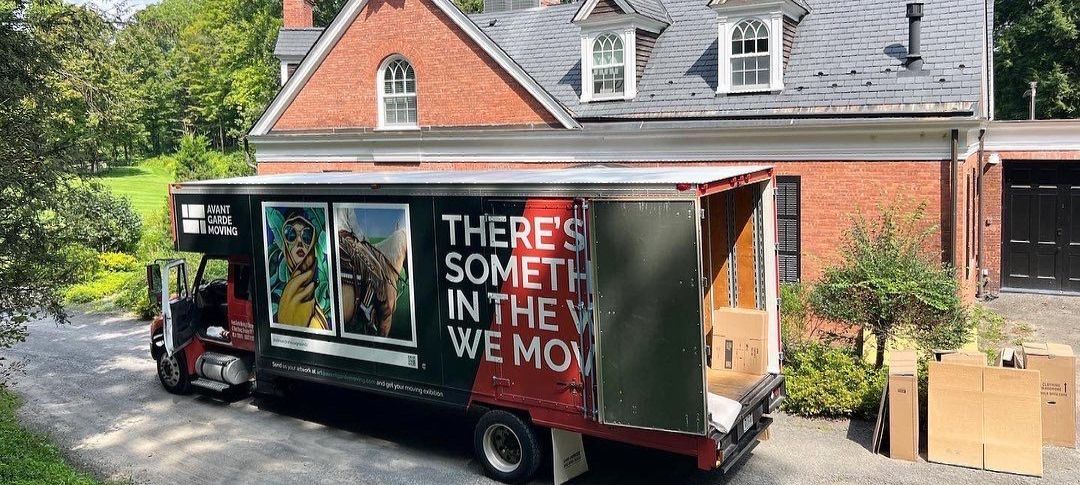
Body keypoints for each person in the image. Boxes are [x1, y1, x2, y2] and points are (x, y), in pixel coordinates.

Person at [275, 212, 329, 330]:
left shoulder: (325, 292)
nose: (299, 242)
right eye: (291, 235)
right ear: (286, 247)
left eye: (306, 236)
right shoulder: (278, 297)